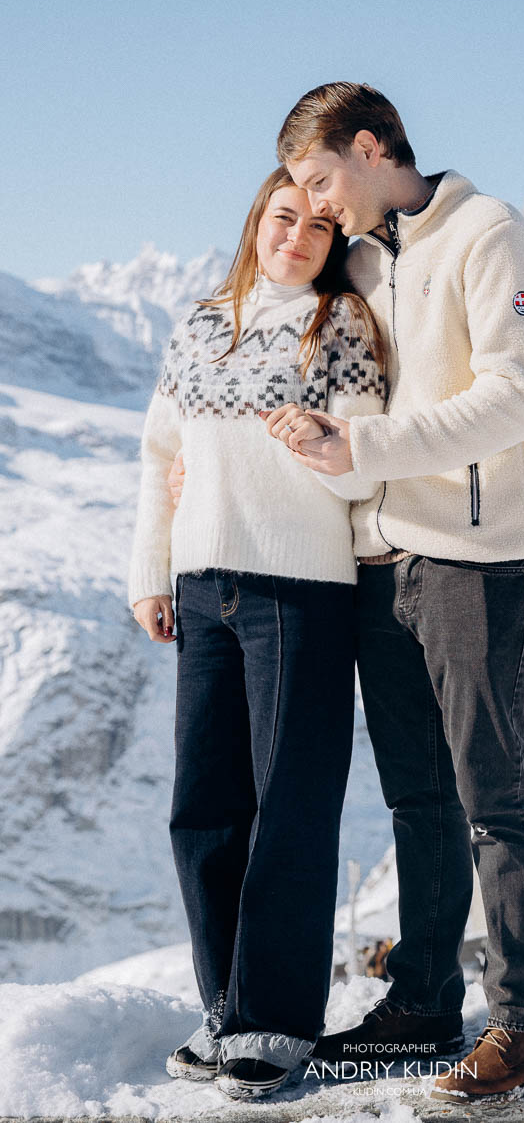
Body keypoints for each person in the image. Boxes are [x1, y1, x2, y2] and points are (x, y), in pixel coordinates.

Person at [272, 82, 524, 1101]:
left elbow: (516, 396)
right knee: (421, 801)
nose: (313, 203)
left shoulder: (490, 236)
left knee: (492, 795)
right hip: (384, 567)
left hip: (479, 563)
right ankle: (427, 1001)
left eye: (319, 178)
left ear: (369, 147)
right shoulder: (362, 263)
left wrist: (369, 447)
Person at [128, 165, 385, 1100]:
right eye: (284, 219)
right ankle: (226, 1008)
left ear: (330, 243)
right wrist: (150, 573)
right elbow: (161, 456)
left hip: (302, 592)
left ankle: (275, 1022)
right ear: (257, 222)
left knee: (293, 809)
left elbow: (363, 470)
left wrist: (317, 439)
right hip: (205, 591)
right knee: (203, 806)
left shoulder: (343, 326)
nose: (298, 237)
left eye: (318, 226)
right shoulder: (202, 322)